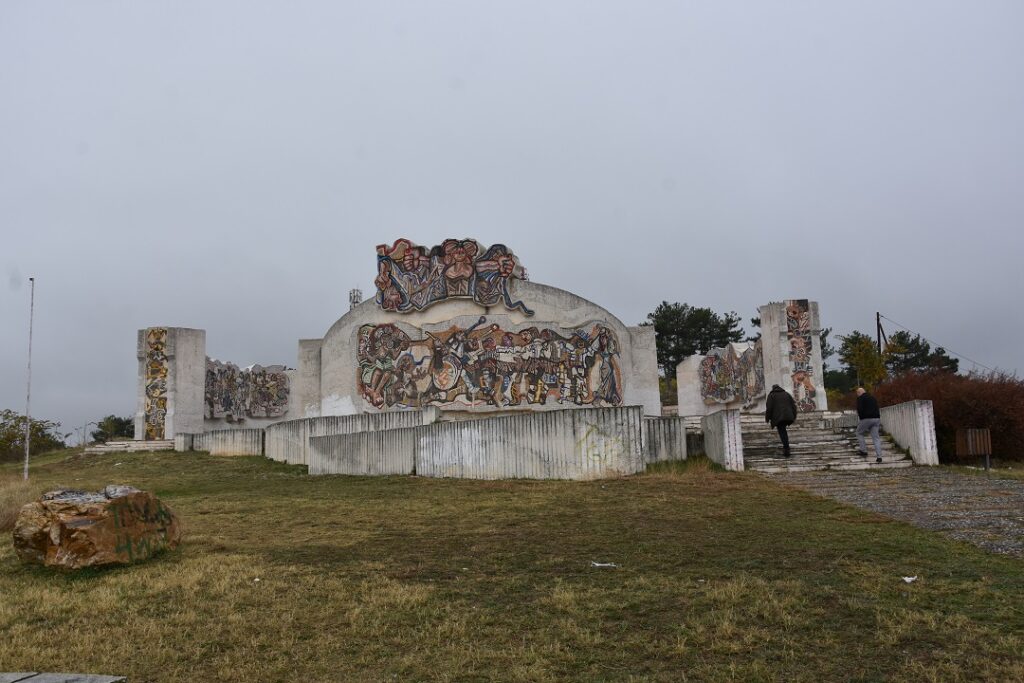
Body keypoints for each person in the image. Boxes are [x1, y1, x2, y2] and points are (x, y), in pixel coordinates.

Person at [765, 384, 798, 457]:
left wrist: (767, 418)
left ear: (773, 388)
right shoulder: (787, 394)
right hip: (788, 416)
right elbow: (793, 406)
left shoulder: (771, 395)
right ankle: (786, 447)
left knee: (782, 431)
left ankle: (786, 449)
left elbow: (769, 408)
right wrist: (794, 416)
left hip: (779, 417)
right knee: (783, 431)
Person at [855, 387, 883, 463]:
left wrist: (861, 417)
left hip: (866, 418)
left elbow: (859, 409)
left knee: (859, 433)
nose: (857, 395)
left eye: (857, 393)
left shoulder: (860, 398)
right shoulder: (873, 398)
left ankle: (863, 451)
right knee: (876, 438)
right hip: (876, 419)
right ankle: (879, 457)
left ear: (859, 393)